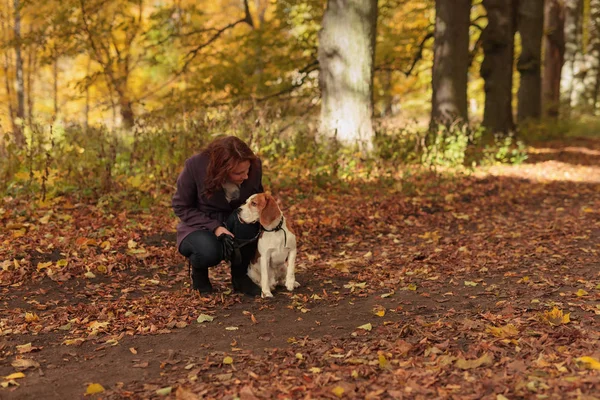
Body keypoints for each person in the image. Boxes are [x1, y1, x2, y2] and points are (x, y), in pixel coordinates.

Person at [172, 135, 263, 296]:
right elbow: (181, 206)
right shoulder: (195, 166)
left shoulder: (254, 166)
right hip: (200, 223)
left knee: (250, 226)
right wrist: (215, 227)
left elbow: (257, 200)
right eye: (238, 173)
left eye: (247, 170)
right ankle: (199, 275)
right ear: (222, 170)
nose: (246, 176)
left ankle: (241, 277)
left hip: (236, 217)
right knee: (208, 251)